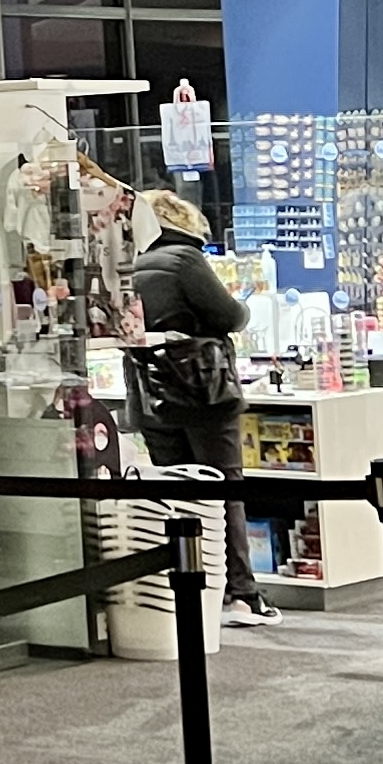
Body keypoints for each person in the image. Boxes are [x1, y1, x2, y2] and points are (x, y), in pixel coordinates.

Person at [133, 189, 272, 624]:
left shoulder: (131, 263)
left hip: (151, 392)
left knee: (177, 494)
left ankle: (191, 589)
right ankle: (241, 594)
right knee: (224, 489)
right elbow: (229, 316)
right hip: (203, 390)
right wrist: (244, 308)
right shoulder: (184, 260)